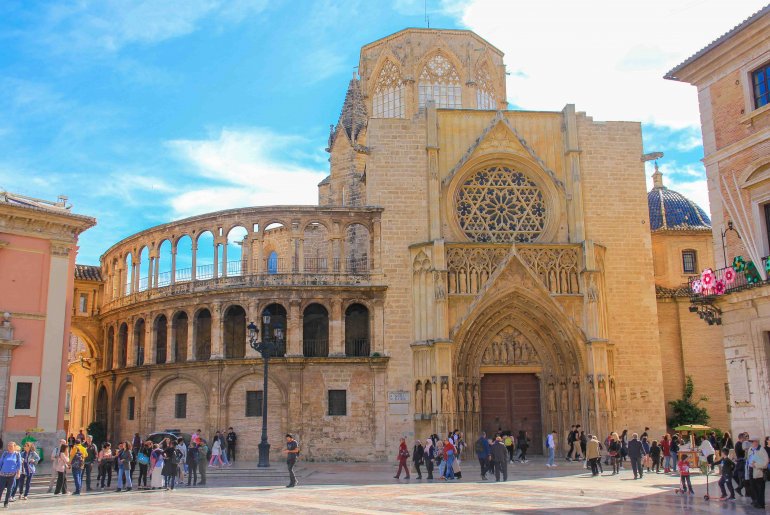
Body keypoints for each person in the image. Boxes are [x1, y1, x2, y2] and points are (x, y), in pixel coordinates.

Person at [747, 436, 768, 509]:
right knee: (753, 488)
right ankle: (755, 501)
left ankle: (761, 504)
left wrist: (755, 465)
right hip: (751, 471)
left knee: (760, 489)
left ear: (756, 442)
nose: (751, 443)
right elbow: (748, 459)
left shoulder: (762, 450)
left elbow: (765, 463)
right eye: (751, 442)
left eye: (752, 441)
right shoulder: (750, 449)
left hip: (759, 473)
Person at [0, 442, 21, 508]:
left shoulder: (17, 454)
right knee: (1, 489)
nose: (9, 447)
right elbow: (0, 462)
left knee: (9, 489)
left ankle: (6, 503)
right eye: (8, 446)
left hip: (12, 475)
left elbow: (19, 464)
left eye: (11, 446)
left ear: (14, 447)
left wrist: (18, 473)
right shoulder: (5, 453)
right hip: (3, 474)